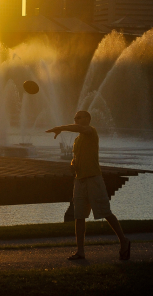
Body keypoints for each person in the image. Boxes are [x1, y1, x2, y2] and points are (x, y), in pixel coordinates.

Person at [46, 110, 131, 261]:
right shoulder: (78, 140)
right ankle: (80, 252)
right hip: (80, 180)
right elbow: (76, 157)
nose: (76, 120)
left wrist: (61, 127)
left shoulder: (91, 131)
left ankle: (124, 241)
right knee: (79, 216)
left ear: (87, 119)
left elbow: (79, 128)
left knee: (105, 212)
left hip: (93, 179)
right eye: (74, 118)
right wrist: (73, 165)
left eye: (78, 117)